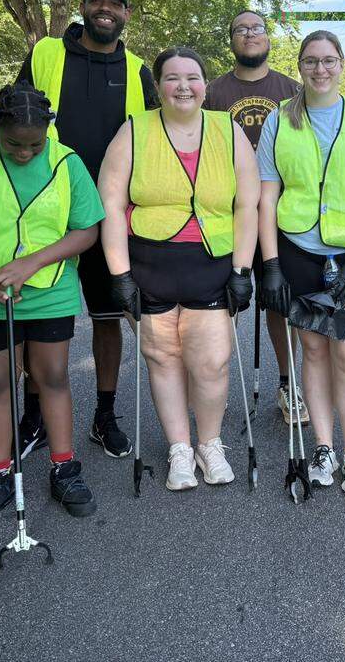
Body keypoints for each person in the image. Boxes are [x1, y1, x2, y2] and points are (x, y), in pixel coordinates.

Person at [98, 47, 259, 491]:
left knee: (211, 363)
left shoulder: (228, 130)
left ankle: (210, 443)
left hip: (211, 262)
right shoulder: (133, 131)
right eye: (172, 78)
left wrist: (243, 269)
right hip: (149, 264)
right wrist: (119, 274)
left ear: (206, 85)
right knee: (162, 358)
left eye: (192, 77)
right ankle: (180, 450)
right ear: (158, 86)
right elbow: (110, 203)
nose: (183, 86)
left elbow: (248, 204)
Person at [17, 0, 158, 461]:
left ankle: (104, 414)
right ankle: (32, 418)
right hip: (46, 214)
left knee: (106, 318)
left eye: (115, 2)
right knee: (39, 321)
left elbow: (154, 139)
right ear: (82, 6)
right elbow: (15, 119)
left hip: (109, 217)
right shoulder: (45, 54)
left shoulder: (139, 70)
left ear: (126, 13)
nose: (106, 8)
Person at [0, 84, 105, 528]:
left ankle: (64, 467)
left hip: (50, 291)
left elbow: (86, 231)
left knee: (53, 376)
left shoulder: (66, 161)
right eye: (13, 144)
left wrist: (30, 264)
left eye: (34, 144)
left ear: (49, 133)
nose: (24, 153)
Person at [256, 30, 345, 496]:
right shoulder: (280, 118)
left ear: (341, 64)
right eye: (311, 61)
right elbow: (267, 194)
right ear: (300, 66)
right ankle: (323, 445)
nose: (320, 69)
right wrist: (270, 262)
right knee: (312, 350)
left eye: (329, 60)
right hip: (299, 250)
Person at [205, 9, 304, 426]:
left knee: (280, 303)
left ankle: (288, 384)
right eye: (241, 29)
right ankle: (217, 385)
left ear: (268, 38)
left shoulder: (292, 91)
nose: (250, 34)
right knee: (221, 303)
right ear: (231, 39)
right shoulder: (212, 93)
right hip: (226, 215)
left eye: (257, 28)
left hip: (280, 218)